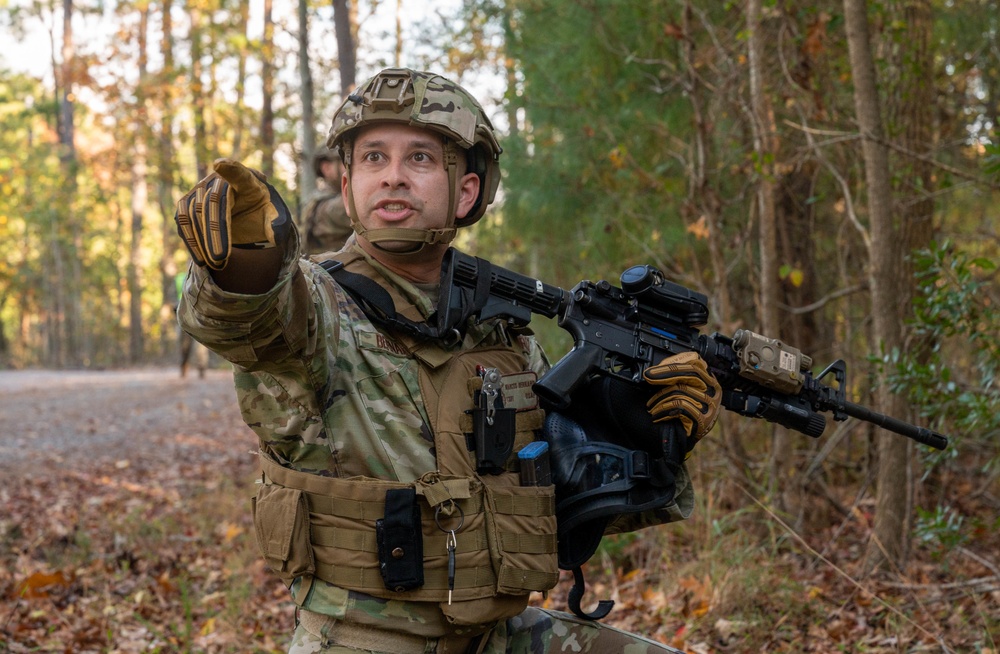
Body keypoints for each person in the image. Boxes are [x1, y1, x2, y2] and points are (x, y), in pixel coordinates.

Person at [175, 68, 722, 653]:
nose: (392, 177)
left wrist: (641, 435)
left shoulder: (500, 331)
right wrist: (248, 260)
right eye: (373, 158)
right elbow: (245, 316)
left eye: (420, 159)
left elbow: (551, 511)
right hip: (363, 641)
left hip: (495, 635)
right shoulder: (315, 310)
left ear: (466, 190)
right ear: (348, 185)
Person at [298, 146, 353, 255]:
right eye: (346, 162)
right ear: (326, 168)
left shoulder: (318, 199)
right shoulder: (327, 206)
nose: (353, 167)